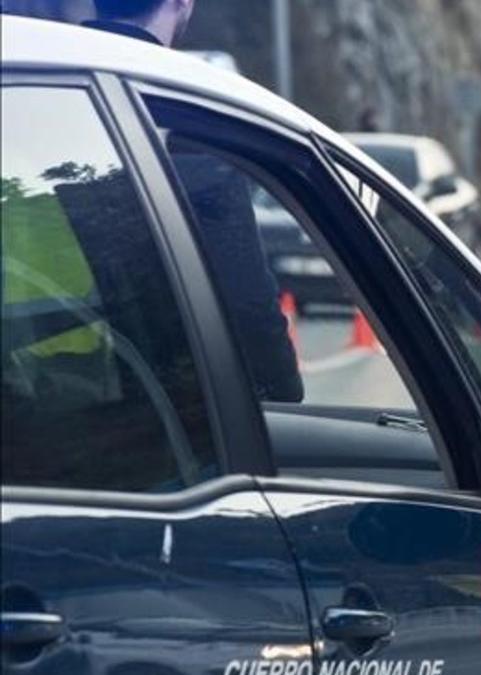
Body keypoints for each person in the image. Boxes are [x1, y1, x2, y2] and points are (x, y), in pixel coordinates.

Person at [81, 0, 304, 402]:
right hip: (152, 421)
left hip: (43, 395)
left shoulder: (44, 81)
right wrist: (282, 393)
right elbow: (248, 309)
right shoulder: (184, 116)